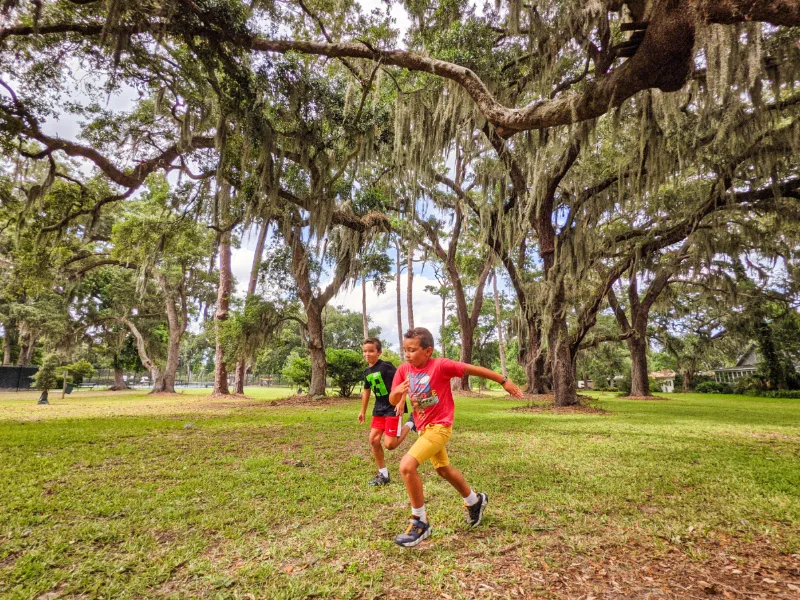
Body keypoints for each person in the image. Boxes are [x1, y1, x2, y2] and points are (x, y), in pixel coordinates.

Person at [388, 327, 523, 547]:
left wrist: (503, 380)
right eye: (405, 350)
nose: (408, 354)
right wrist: (399, 392)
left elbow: (472, 369)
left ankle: (420, 521)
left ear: (428, 351)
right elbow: (393, 400)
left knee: (406, 466)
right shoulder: (404, 370)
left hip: (440, 427)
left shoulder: (440, 366)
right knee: (442, 469)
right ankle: (474, 500)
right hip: (423, 428)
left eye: (412, 350)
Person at [359, 337, 416, 486]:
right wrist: (362, 411)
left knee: (390, 445)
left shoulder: (386, 367)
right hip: (379, 408)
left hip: (393, 407)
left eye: (371, 351)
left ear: (379, 352)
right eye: (365, 351)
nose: (367, 354)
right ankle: (383, 474)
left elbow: (404, 381)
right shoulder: (366, 372)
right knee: (373, 440)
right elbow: (366, 392)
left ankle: (411, 422)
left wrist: (402, 401)